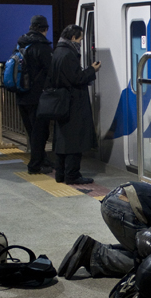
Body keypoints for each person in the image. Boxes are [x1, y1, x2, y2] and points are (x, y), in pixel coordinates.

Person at [41, 24, 101, 184]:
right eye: (80, 39)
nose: (80, 42)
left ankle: (60, 174)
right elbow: (76, 78)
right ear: (73, 38)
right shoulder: (68, 54)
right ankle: (72, 175)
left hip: (62, 103)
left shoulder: (58, 52)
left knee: (62, 141)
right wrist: (92, 70)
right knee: (75, 141)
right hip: (73, 103)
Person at [16, 15, 54, 174]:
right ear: (45, 29)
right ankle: (35, 165)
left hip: (21, 95)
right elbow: (51, 71)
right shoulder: (42, 47)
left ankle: (42, 159)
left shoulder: (21, 44)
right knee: (40, 132)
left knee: (32, 131)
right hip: (37, 97)